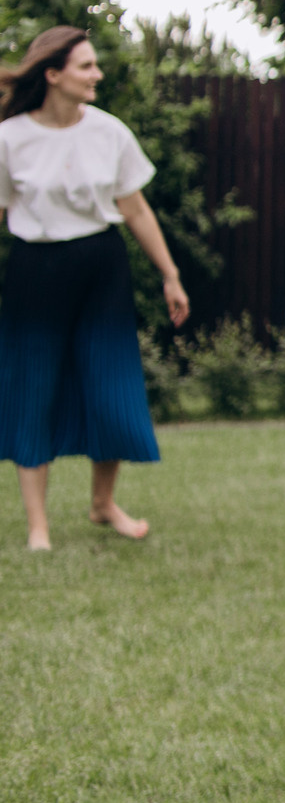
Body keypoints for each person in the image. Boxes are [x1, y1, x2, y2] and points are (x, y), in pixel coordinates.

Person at [0, 28, 189, 551]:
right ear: (52, 75)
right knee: (31, 388)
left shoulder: (110, 133)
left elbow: (135, 209)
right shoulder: (10, 138)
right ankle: (38, 526)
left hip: (100, 268)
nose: (97, 74)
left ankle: (103, 504)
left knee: (109, 388)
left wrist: (170, 275)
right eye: (85, 66)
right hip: (33, 272)